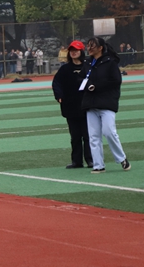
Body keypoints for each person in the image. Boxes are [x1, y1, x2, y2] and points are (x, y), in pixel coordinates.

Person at [82, 37, 130, 173]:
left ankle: (122, 158)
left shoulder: (110, 62)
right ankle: (98, 165)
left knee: (109, 132)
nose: (89, 48)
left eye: (92, 46)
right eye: (88, 46)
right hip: (90, 103)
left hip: (107, 103)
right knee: (93, 136)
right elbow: (82, 78)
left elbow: (116, 81)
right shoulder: (87, 62)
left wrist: (96, 86)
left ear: (100, 48)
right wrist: (88, 85)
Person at [52, 41, 93, 169]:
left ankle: (91, 160)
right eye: (71, 50)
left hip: (87, 106)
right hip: (70, 107)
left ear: (81, 51)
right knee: (75, 136)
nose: (73, 52)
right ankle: (77, 161)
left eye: (76, 50)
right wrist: (59, 96)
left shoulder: (88, 67)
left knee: (88, 135)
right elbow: (56, 83)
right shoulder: (65, 69)